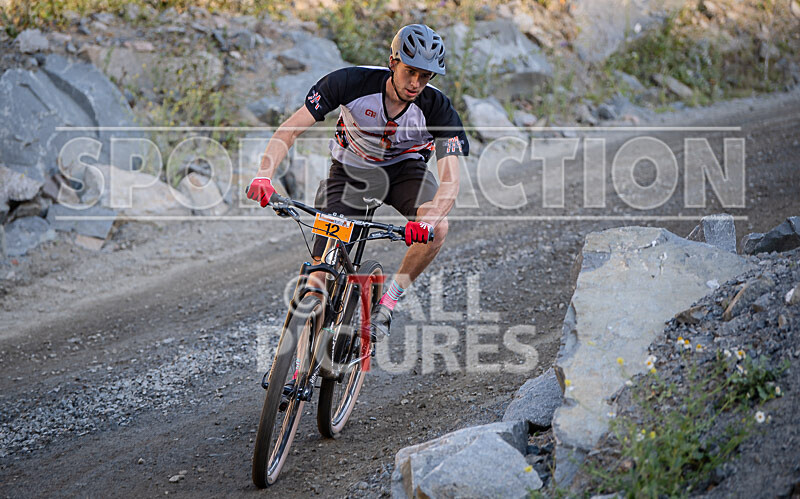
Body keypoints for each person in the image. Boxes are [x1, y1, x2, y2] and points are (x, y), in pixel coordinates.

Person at [247, 23, 469, 341]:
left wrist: (429, 220)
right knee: (320, 274)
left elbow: (450, 181)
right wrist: (263, 175)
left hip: (406, 172)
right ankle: (299, 362)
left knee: (439, 228)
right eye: (411, 72)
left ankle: (387, 305)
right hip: (351, 170)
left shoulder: (437, 108)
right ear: (393, 62)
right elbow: (290, 129)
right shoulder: (352, 81)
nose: (417, 83)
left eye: (426, 76)